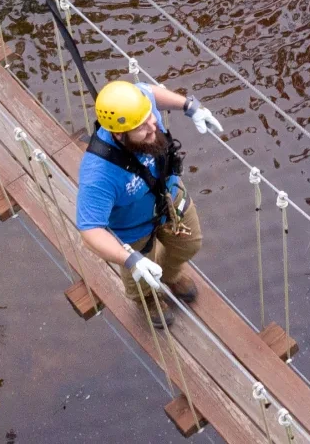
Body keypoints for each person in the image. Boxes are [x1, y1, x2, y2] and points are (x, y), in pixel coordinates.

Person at [76, 79, 224, 325]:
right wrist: (129, 259)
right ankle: (147, 298)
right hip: (133, 230)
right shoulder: (98, 175)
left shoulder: (139, 109)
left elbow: (150, 92)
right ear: (119, 134)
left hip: (171, 199)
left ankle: (170, 273)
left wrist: (189, 106)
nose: (153, 124)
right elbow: (90, 230)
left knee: (189, 245)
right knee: (142, 275)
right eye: (142, 126)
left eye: (150, 116)